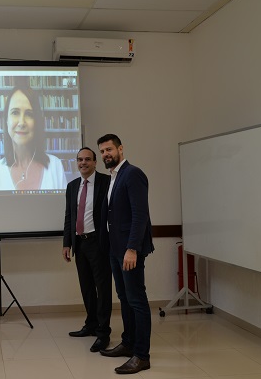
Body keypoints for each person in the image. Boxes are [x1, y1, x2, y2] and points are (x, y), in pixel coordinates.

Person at [97, 134, 154, 375]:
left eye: (109, 149)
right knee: (124, 298)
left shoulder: (132, 174)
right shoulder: (114, 177)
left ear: (121, 149)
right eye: (102, 151)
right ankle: (128, 343)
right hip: (115, 250)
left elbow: (140, 215)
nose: (105, 154)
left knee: (136, 300)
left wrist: (132, 249)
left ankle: (141, 355)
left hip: (129, 251)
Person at [63, 147, 112, 353]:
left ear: (95, 162)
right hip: (80, 243)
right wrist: (67, 243)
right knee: (86, 287)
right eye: (80, 160)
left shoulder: (106, 182)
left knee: (103, 288)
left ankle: (103, 332)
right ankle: (91, 324)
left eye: (87, 159)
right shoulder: (72, 186)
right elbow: (69, 216)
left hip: (98, 243)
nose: (83, 163)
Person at [0, 85, 67, 190]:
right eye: (15, 112)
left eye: (29, 114)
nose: (21, 123)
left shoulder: (55, 166)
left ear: (36, 121)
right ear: (6, 120)